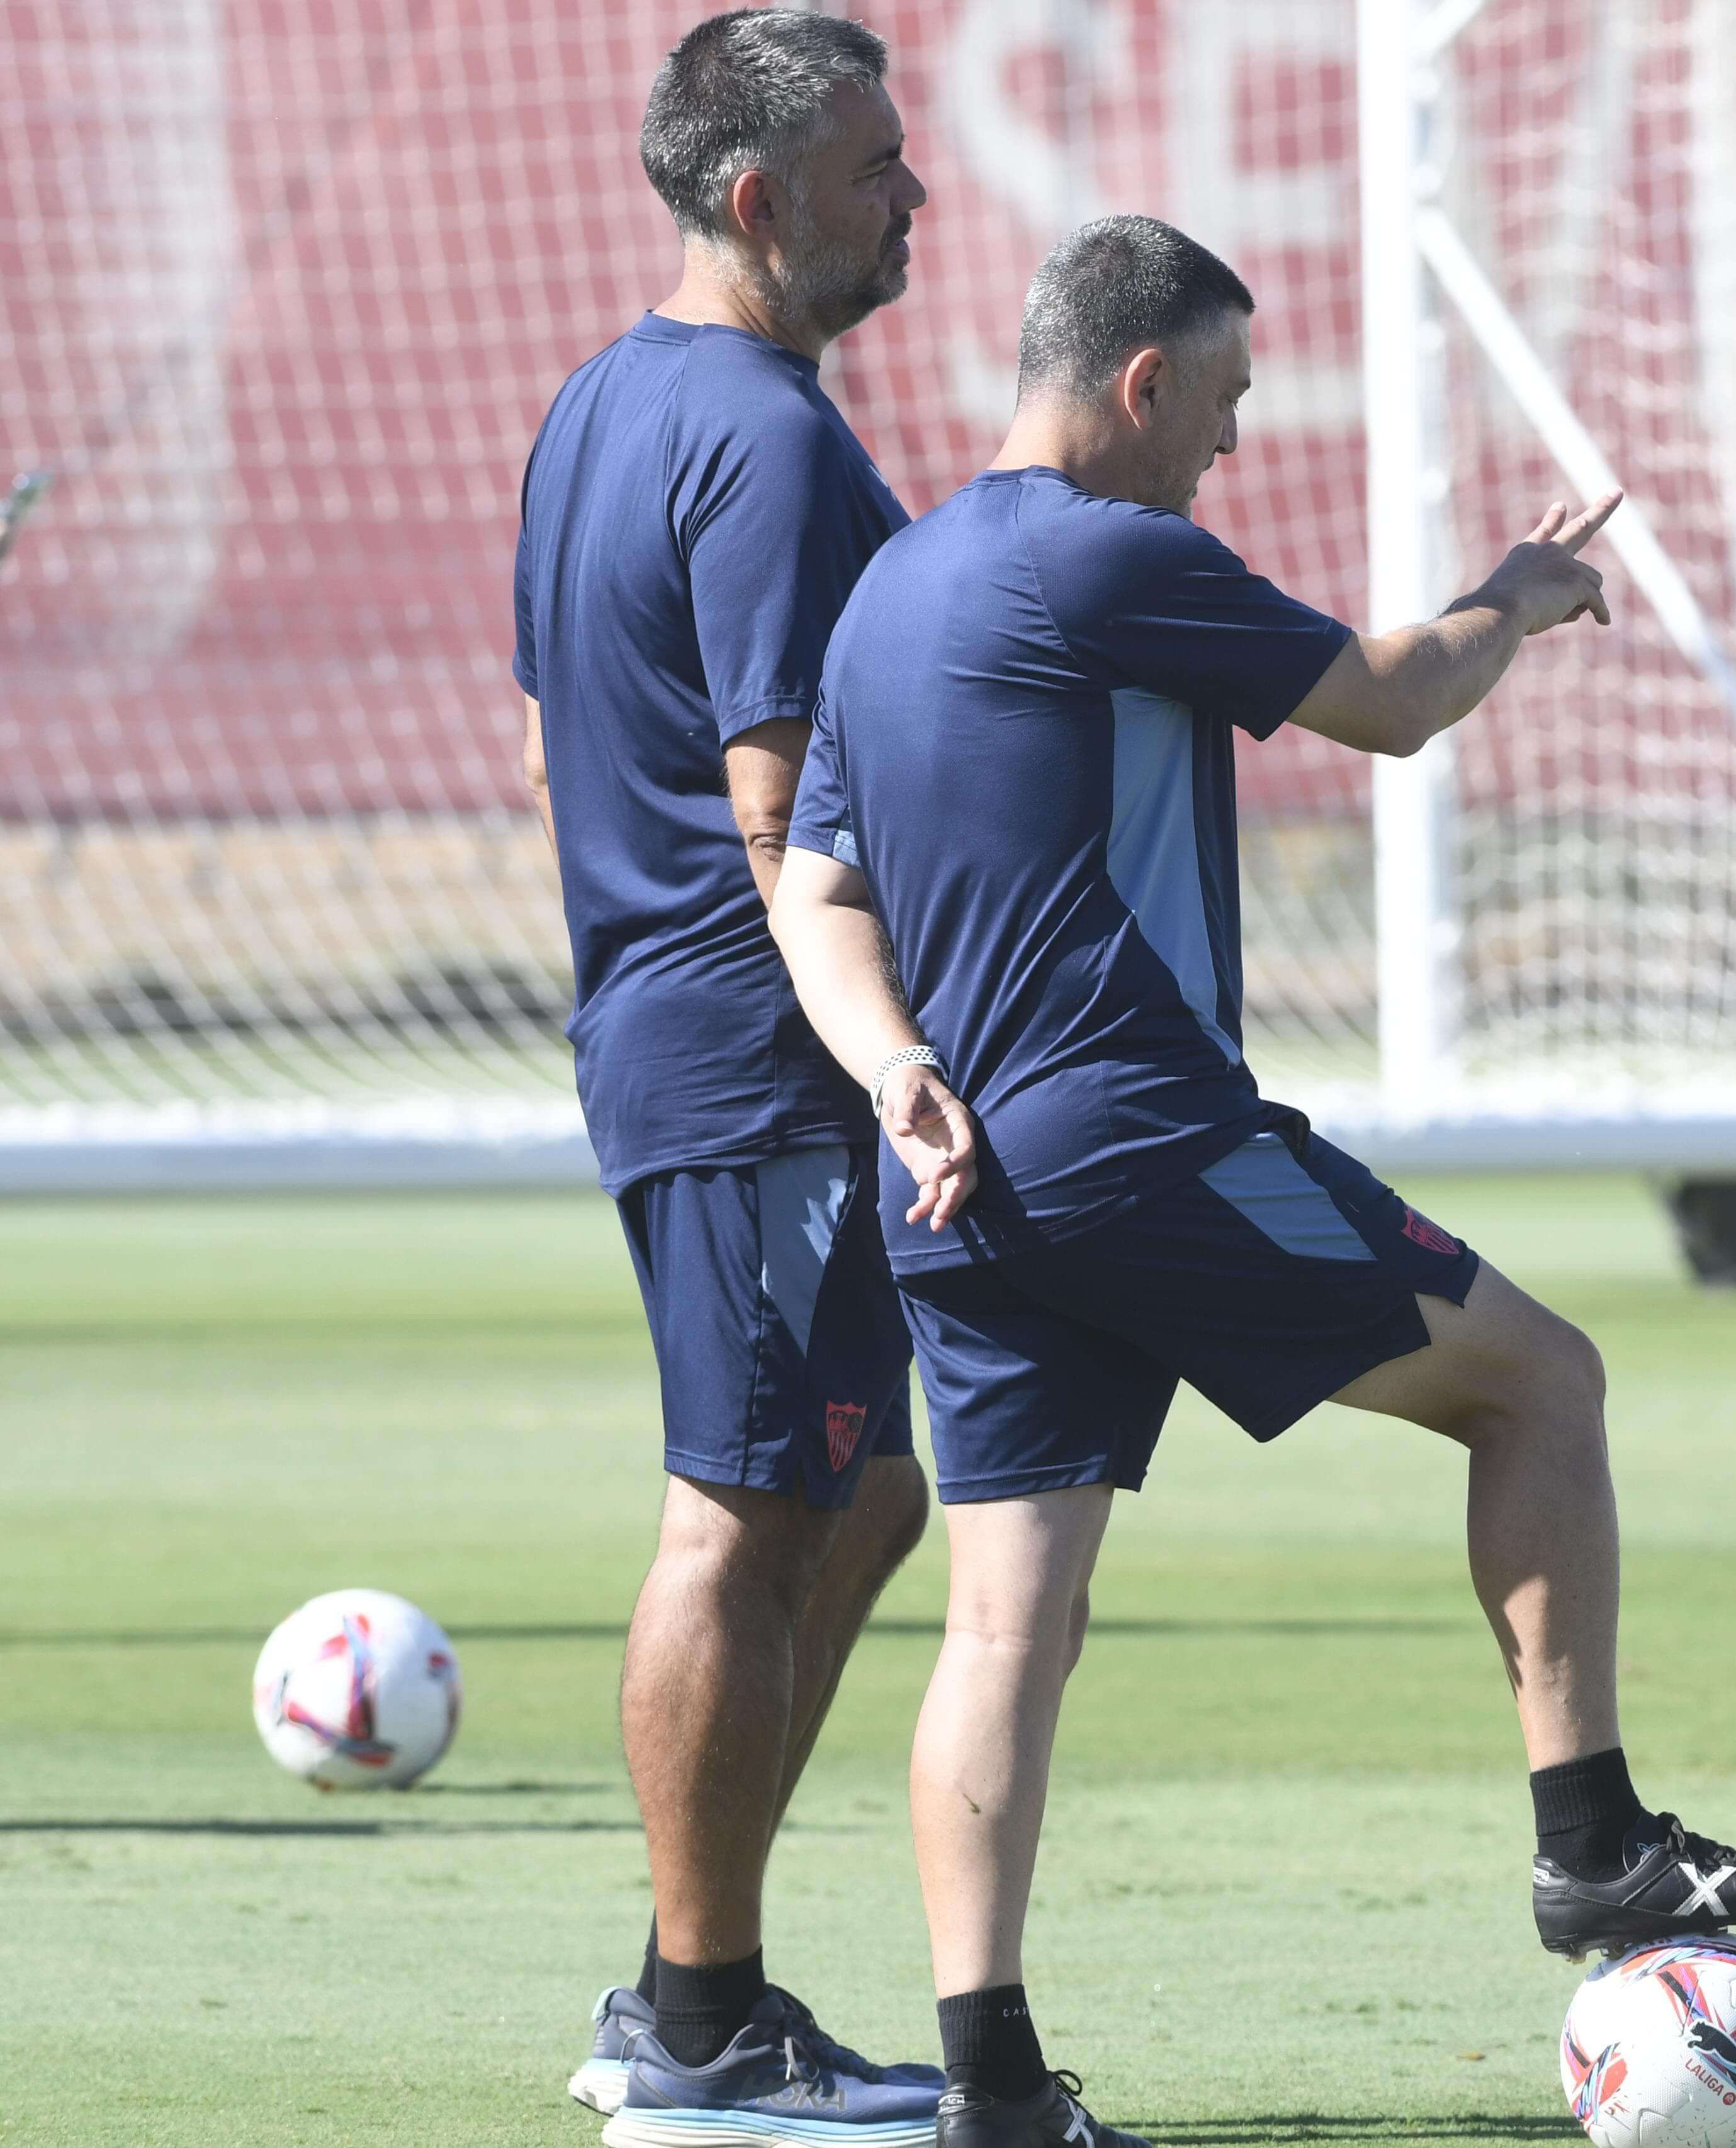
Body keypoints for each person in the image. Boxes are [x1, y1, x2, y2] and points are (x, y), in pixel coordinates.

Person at [770, 213, 1736, 2148]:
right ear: (1142, 382)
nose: (1231, 446)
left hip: (956, 1185)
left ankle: (991, 2088)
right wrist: (1516, 595)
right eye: (1226, 401)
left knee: (1007, 1630)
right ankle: (1593, 1846)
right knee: (1544, 1383)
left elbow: (817, 894)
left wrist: (895, 1069)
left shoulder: (888, 592)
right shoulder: (1112, 553)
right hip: (1145, 1142)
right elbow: (1391, 698)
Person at [511, 13, 944, 2142]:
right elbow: (783, 813)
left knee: (862, 1493)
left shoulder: (602, 400)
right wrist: (881, 1044)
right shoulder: (763, 438)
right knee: (749, 1506)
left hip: (688, 1032)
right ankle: (700, 2030)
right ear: (762, 202)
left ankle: (690, 1979)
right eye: (876, 169)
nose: (914, 198)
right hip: (759, 1056)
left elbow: (545, 745)